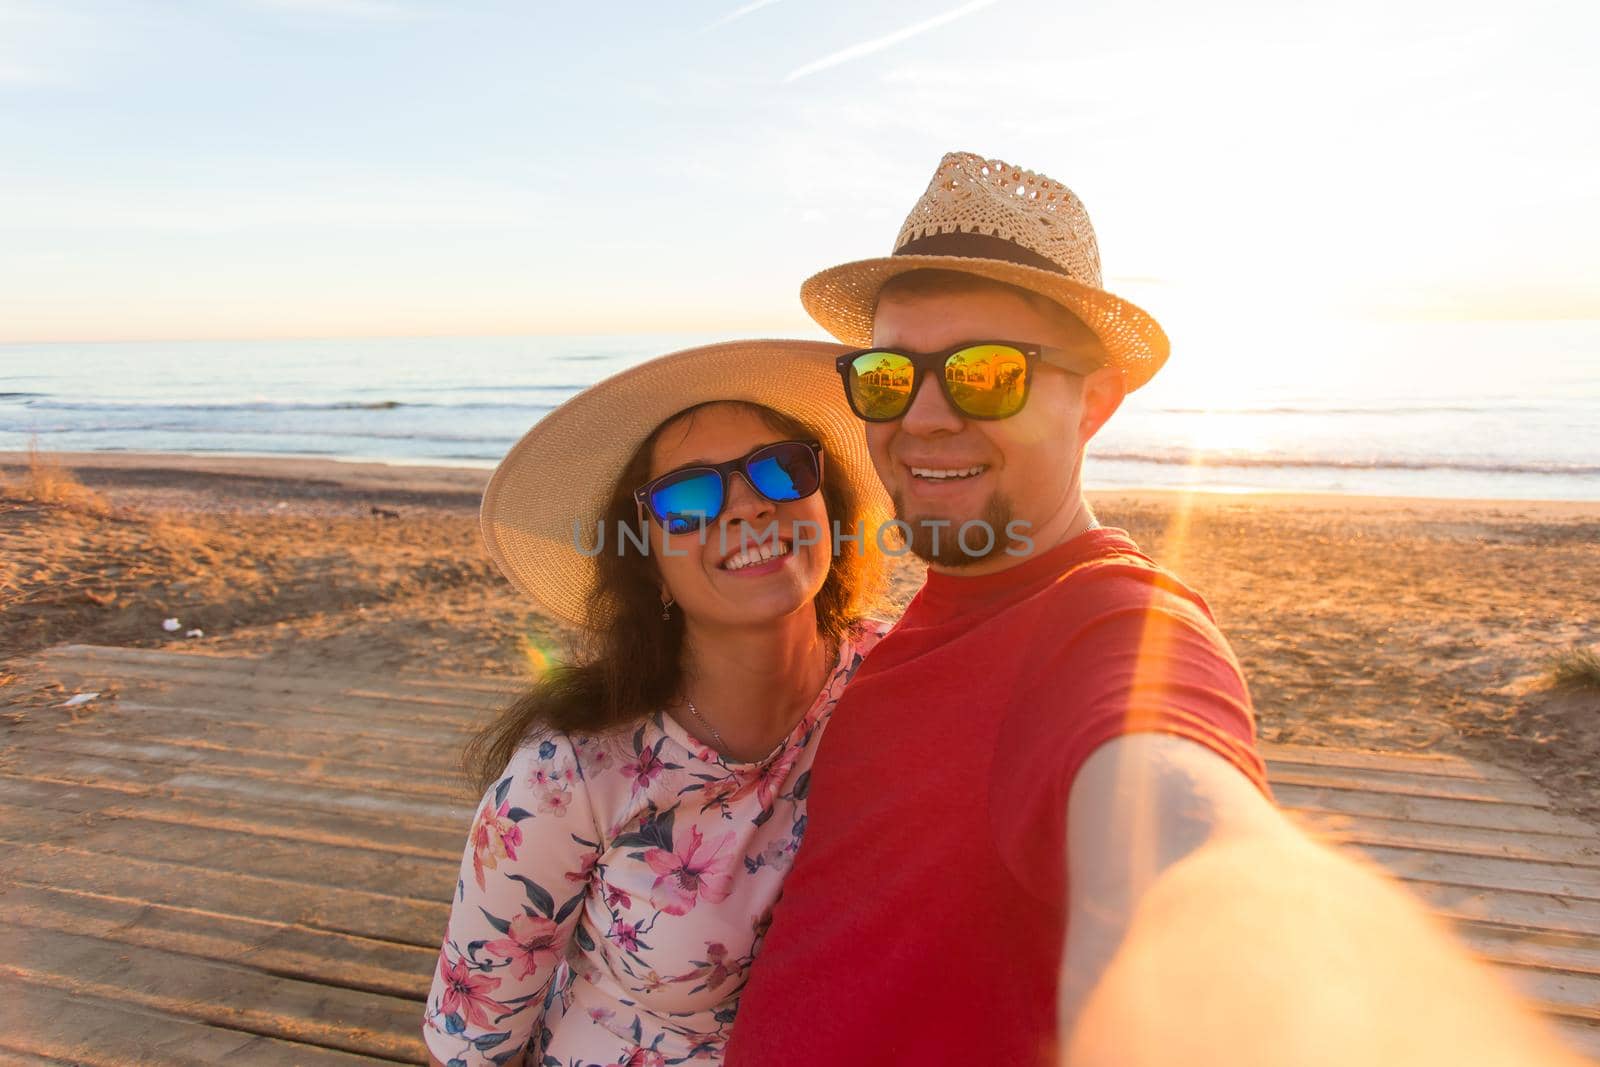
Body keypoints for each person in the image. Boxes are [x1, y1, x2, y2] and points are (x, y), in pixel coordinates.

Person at [724, 152, 1586, 1066]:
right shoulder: (927, 623)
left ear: (1094, 402)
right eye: (891, 375)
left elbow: (1192, 847)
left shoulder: (1113, 628)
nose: (925, 417)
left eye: (986, 374)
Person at [421, 340, 890, 1066]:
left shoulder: (900, 680)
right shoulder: (568, 773)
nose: (749, 505)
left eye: (782, 466)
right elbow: (472, 1045)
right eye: (688, 497)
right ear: (650, 563)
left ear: (826, 502)